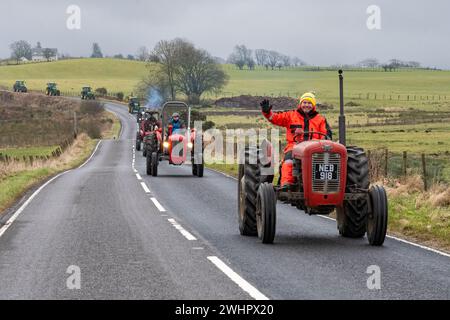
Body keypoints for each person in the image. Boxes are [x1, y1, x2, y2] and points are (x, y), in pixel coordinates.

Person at [260, 92, 332, 189]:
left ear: (313, 105)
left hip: (314, 148)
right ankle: (286, 184)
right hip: (294, 147)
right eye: (304, 102)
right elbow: (275, 118)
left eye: (309, 103)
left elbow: (326, 136)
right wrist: (267, 112)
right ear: (300, 104)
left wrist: (323, 144)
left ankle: (323, 185)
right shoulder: (291, 115)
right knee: (289, 162)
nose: (306, 105)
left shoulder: (321, 119)